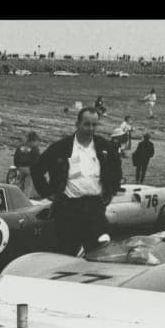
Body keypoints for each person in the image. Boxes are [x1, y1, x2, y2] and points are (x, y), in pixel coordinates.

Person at [31, 107, 123, 256]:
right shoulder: (61, 147)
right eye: (86, 124)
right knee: (67, 253)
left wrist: (110, 191)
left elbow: (116, 170)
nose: (91, 129)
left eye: (94, 125)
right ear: (77, 124)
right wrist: (49, 193)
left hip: (95, 209)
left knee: (98, 253)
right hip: (68, 209)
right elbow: (37, 169)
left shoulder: (104, 147)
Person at [12, 131, 41, 196]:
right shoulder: (35, 147)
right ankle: (25, 201)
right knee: (28, 185)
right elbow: (37, 160)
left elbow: (16, 156)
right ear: (34, 139)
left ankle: (17, 198)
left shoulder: (20, 146)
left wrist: (17, 166)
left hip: (20, 167)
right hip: (30, 169)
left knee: (20, 184)